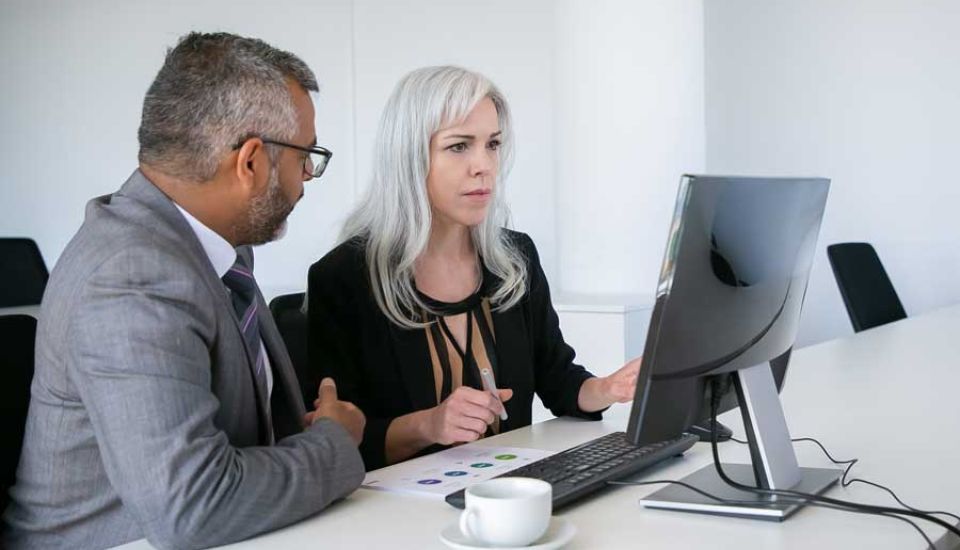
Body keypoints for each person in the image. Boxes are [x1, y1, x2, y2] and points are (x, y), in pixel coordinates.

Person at [2, 32, 366, 550]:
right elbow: (195, 506)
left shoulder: (213, 250)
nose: (307, 176)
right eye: (306, 155)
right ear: (251, 162)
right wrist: (334, 442)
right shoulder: (130, 275)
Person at [306, 66, 639, 471]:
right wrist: (429, 425)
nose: (484, 165)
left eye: (493, 144)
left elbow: (558, 379)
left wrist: (607, 388)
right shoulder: (345, 278)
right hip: (397, 516)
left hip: (508, 495)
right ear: (410, 156)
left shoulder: (516, 258)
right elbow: (338, 443)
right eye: (459, 146)